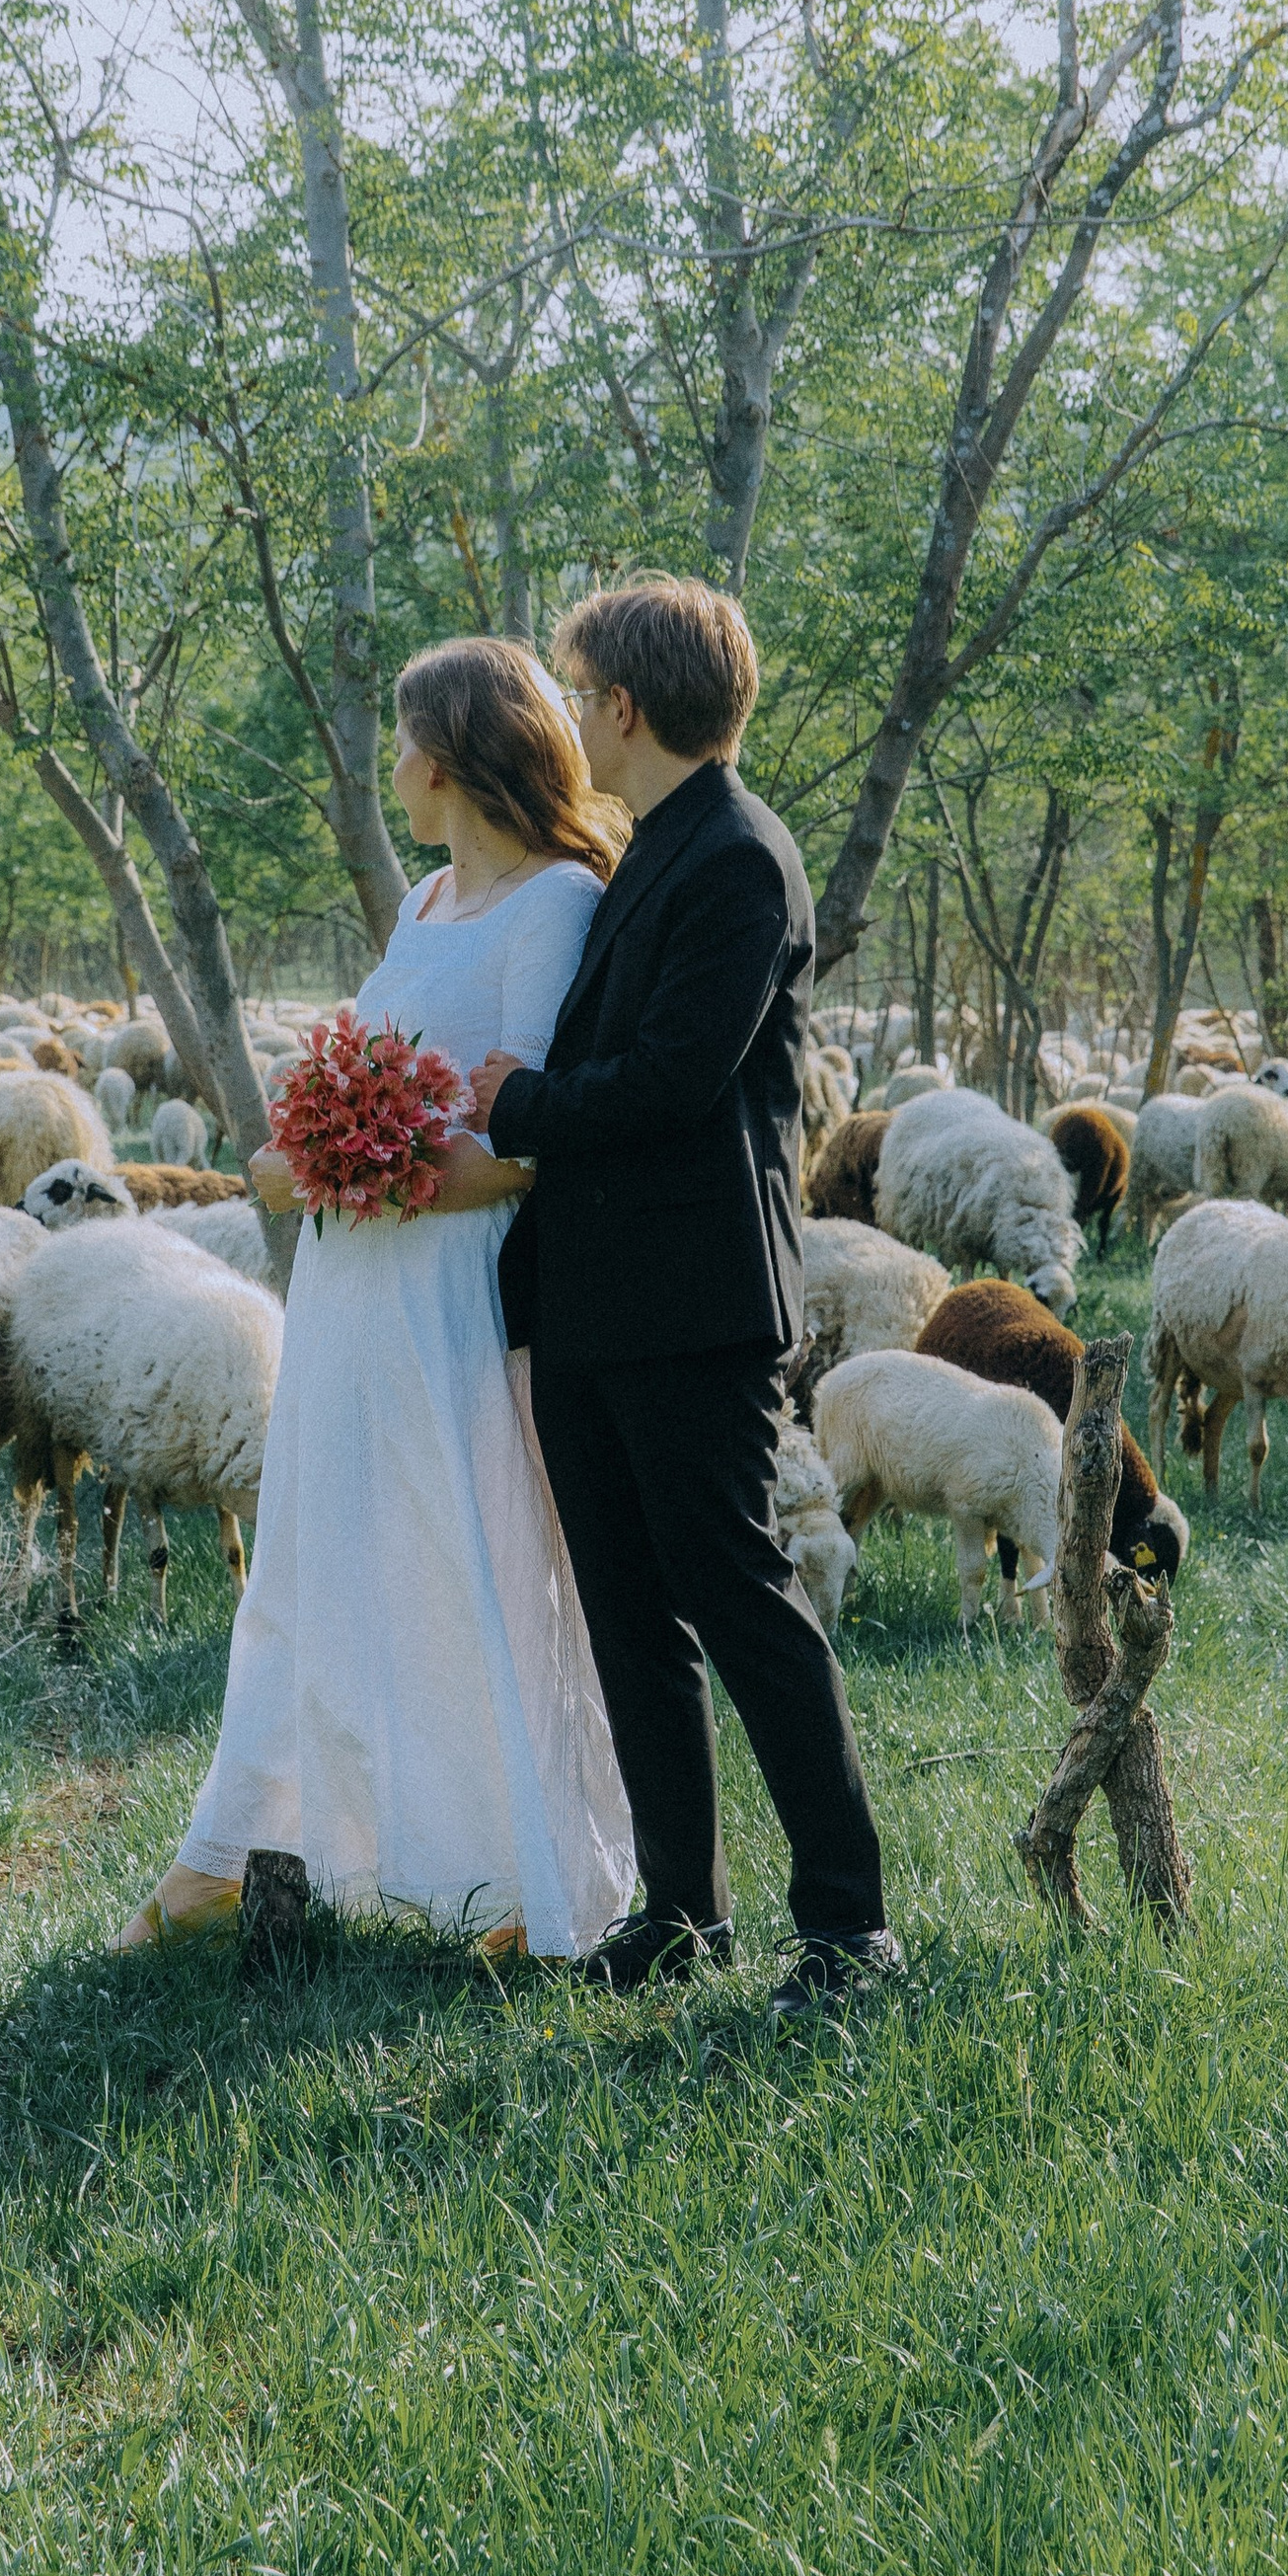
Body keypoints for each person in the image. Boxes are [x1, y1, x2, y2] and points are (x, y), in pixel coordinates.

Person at [114, 636, 636, 1959]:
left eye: (403, 743)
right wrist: (320, 1149)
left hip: (452, 1280)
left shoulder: (556, 904)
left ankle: (520, 1875)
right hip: (350, 1280)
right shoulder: (425, 905)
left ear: (449, 758)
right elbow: (388, 1074)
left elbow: (524, 1138)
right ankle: (236, 1845)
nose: (390, 768)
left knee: (466, 1551)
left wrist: (334, 1170)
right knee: (315, 1548)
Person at [465, 573, 892, 2013]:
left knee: (740, 1597)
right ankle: (681, 1910)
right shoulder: (653, 848)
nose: (574, 719)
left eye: (584, 695)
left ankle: (847, 1926)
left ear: (628, 707)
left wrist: (520, 1101)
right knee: (627, 1612)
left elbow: (672, 1079)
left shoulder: (740, 859)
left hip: (696, 1301)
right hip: (594, 1294)